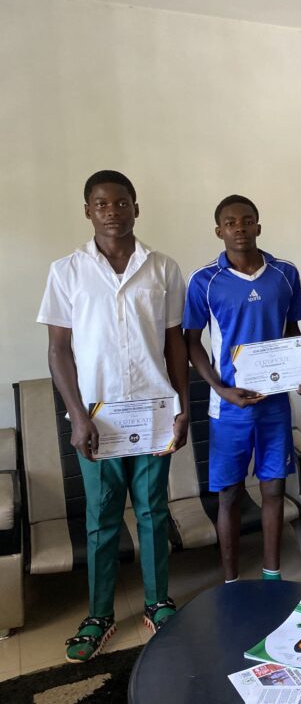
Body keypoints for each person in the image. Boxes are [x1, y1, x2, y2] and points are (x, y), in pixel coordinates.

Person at [38, 170, 189, 662]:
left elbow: (175, 345)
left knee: (152, 512)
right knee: (102, 518)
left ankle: (157, 602)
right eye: (101, 204)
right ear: (88, 211)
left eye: (121, 202)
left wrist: (182, 408)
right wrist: (77, 416)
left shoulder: (163, 268)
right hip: (97, 419)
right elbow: (58, 351)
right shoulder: (67, 271)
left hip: (152, 410)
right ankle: (100, 615)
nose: (112, 211)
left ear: (135, 208)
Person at [184, 195, 301, 586]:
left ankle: (272, 575)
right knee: (229, 496)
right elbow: (191, 342)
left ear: (258, 225)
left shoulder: (285, 273)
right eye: (230, 222)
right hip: (230, 409)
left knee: (274, 490)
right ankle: (231, 582)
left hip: (274, 406)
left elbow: (292, 332)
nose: (239, 227)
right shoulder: (204, 280)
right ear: (219, 230)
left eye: (247, 220)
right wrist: (220, 389)